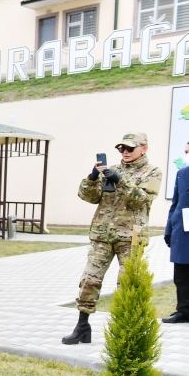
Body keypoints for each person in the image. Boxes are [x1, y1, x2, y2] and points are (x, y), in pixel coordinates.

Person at [62, 132, 162, 345]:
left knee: (127, 285)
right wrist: (91, 178)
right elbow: (89, 197)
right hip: (103, 235)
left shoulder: (152, 172)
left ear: (144, 148)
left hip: (130, 238)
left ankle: (124, 332)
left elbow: (142, 200)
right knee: (90, 280)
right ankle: (82, 327)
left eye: (129, 148)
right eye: (121, 149)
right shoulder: (112, 170)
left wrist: (120, 181)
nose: (124, 152)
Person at [162, 162, 189, 323]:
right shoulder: (182, 173)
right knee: (181, 274)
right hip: (182, 230)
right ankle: (183, 311)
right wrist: (169, 229)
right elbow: (175, 204)